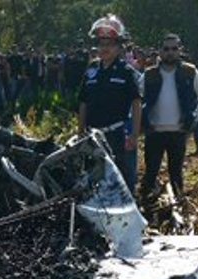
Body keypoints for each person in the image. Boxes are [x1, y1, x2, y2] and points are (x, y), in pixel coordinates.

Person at [140, 34, 198, 196]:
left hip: (178, 131)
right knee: (150, 172)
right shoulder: (149, 74)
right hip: (154, 131)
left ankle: (179, 206)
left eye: (174, 48)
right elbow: (136, 99)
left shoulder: (190, 72)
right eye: (166, 49)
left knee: (176, 174)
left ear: (180, 50)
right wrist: (140, 121)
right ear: (160, 51)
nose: (170, 52)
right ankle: (146, 208)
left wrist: (195, 117)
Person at [78, 15, 142, 193]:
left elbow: (136, 103)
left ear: (118, 47)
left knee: (123, 178)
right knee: (93, 177)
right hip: (92, 135)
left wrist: (135, 134)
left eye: (110, 44)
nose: (105, 48)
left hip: (117, 134)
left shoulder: (126, 71)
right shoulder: (91, 69)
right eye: (101, 44)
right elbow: (83, 102)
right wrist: (80, 131)